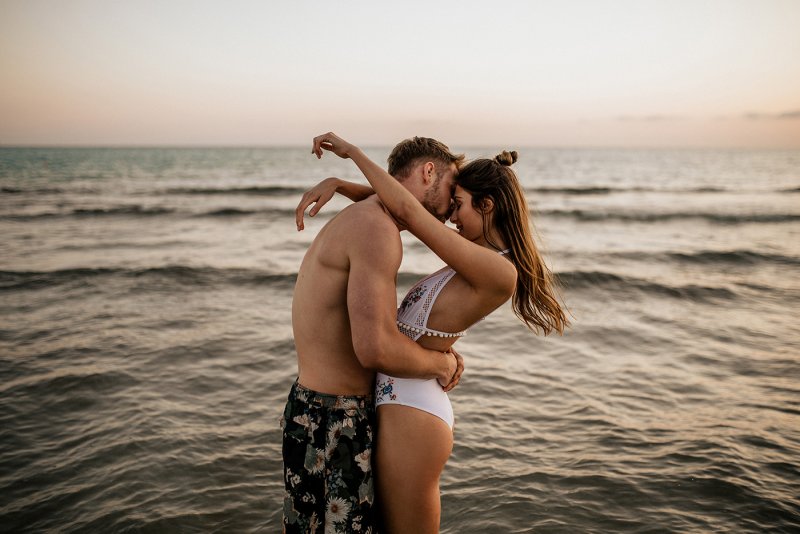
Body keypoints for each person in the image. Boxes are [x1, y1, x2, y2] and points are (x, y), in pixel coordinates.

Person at [298, 132, 568, 534]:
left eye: (458, 205)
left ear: (488, 205)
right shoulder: (474, 259)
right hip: (399, 401)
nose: (451, 217)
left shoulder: (498, 270)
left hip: (415, 409)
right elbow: (400, 208)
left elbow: (408, 209)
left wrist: (353, 155)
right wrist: (340, 185)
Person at [282, 135, 467, 534]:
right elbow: (374, 348)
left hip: (311, 408)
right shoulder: (376, 231)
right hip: (337, 419)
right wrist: (441, 362)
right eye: (453, 188)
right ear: (428, 171)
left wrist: (342, 182)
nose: (454, 210)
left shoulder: (367, 216)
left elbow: (397, 201)